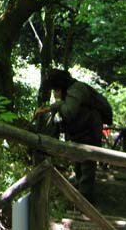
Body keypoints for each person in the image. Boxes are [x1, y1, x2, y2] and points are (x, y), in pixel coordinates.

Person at [35, 68, 103, 201]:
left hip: (89, 132)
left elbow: (68, 112)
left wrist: (58, 102)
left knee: (87, 167)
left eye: (55, 89)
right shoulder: (72, 90)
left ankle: (85, 203)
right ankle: (78, 199)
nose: (55, 92)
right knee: (79, 164)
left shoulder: (75, 90)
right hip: (81, 132)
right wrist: (52, 107)